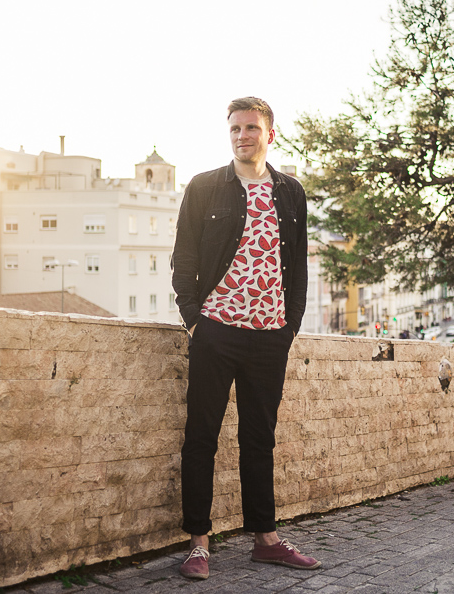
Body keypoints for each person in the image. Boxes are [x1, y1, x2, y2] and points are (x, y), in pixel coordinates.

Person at [170, 96, 319, 580]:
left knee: (260, 439)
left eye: (251, 128)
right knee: (201, 438)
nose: (242, 136)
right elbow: (184, 259)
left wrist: (289, 325)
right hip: (216, 331)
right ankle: (198, 544)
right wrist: (196, 320)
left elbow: (296, 264)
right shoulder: (205, 187)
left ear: (269, 134)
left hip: (270, 336)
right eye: (235, 128)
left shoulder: (290, 192)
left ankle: (266, 539)